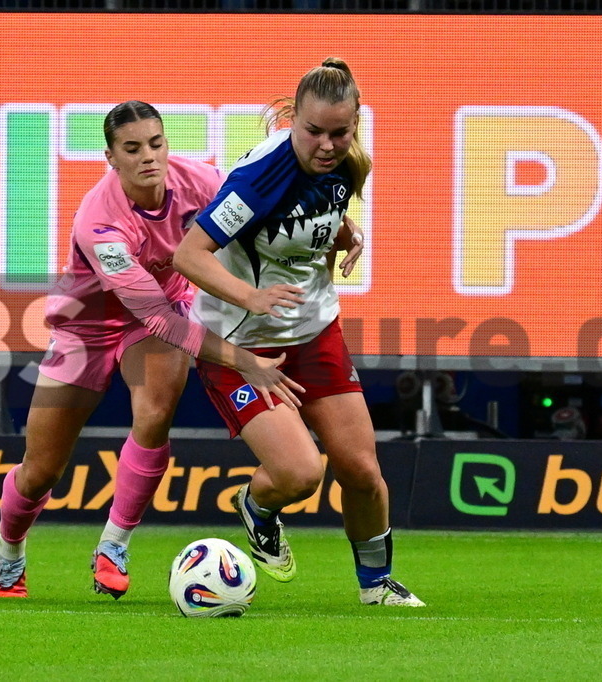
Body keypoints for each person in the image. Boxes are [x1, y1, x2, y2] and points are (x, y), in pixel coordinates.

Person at [0, 101, 304, 599]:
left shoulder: (199, 180)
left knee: (156, 410)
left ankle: (114, 545)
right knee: (41, 469)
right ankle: (9, 552)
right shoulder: (100, 224)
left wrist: (342, 228)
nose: (148, 157)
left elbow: (260, 214)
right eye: (132, 149)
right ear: (110, 157)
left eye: (155, 144)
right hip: (85, 328)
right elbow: (152, 313)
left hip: (159, 316)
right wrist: (243, 360)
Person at [174, 58, 425, 607]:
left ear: (355, 122)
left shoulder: (347, 161)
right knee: (299, 474)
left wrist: (344, 232)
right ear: (296, 122)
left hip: (315, 334)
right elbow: (187, 254)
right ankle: (258, 506)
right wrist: (251, 297)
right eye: (313, 131)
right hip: (240, 346)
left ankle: (376, 585)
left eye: (341, 132)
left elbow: (316, 212)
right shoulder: (259, 178)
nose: (327, 144)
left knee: (361, 470)